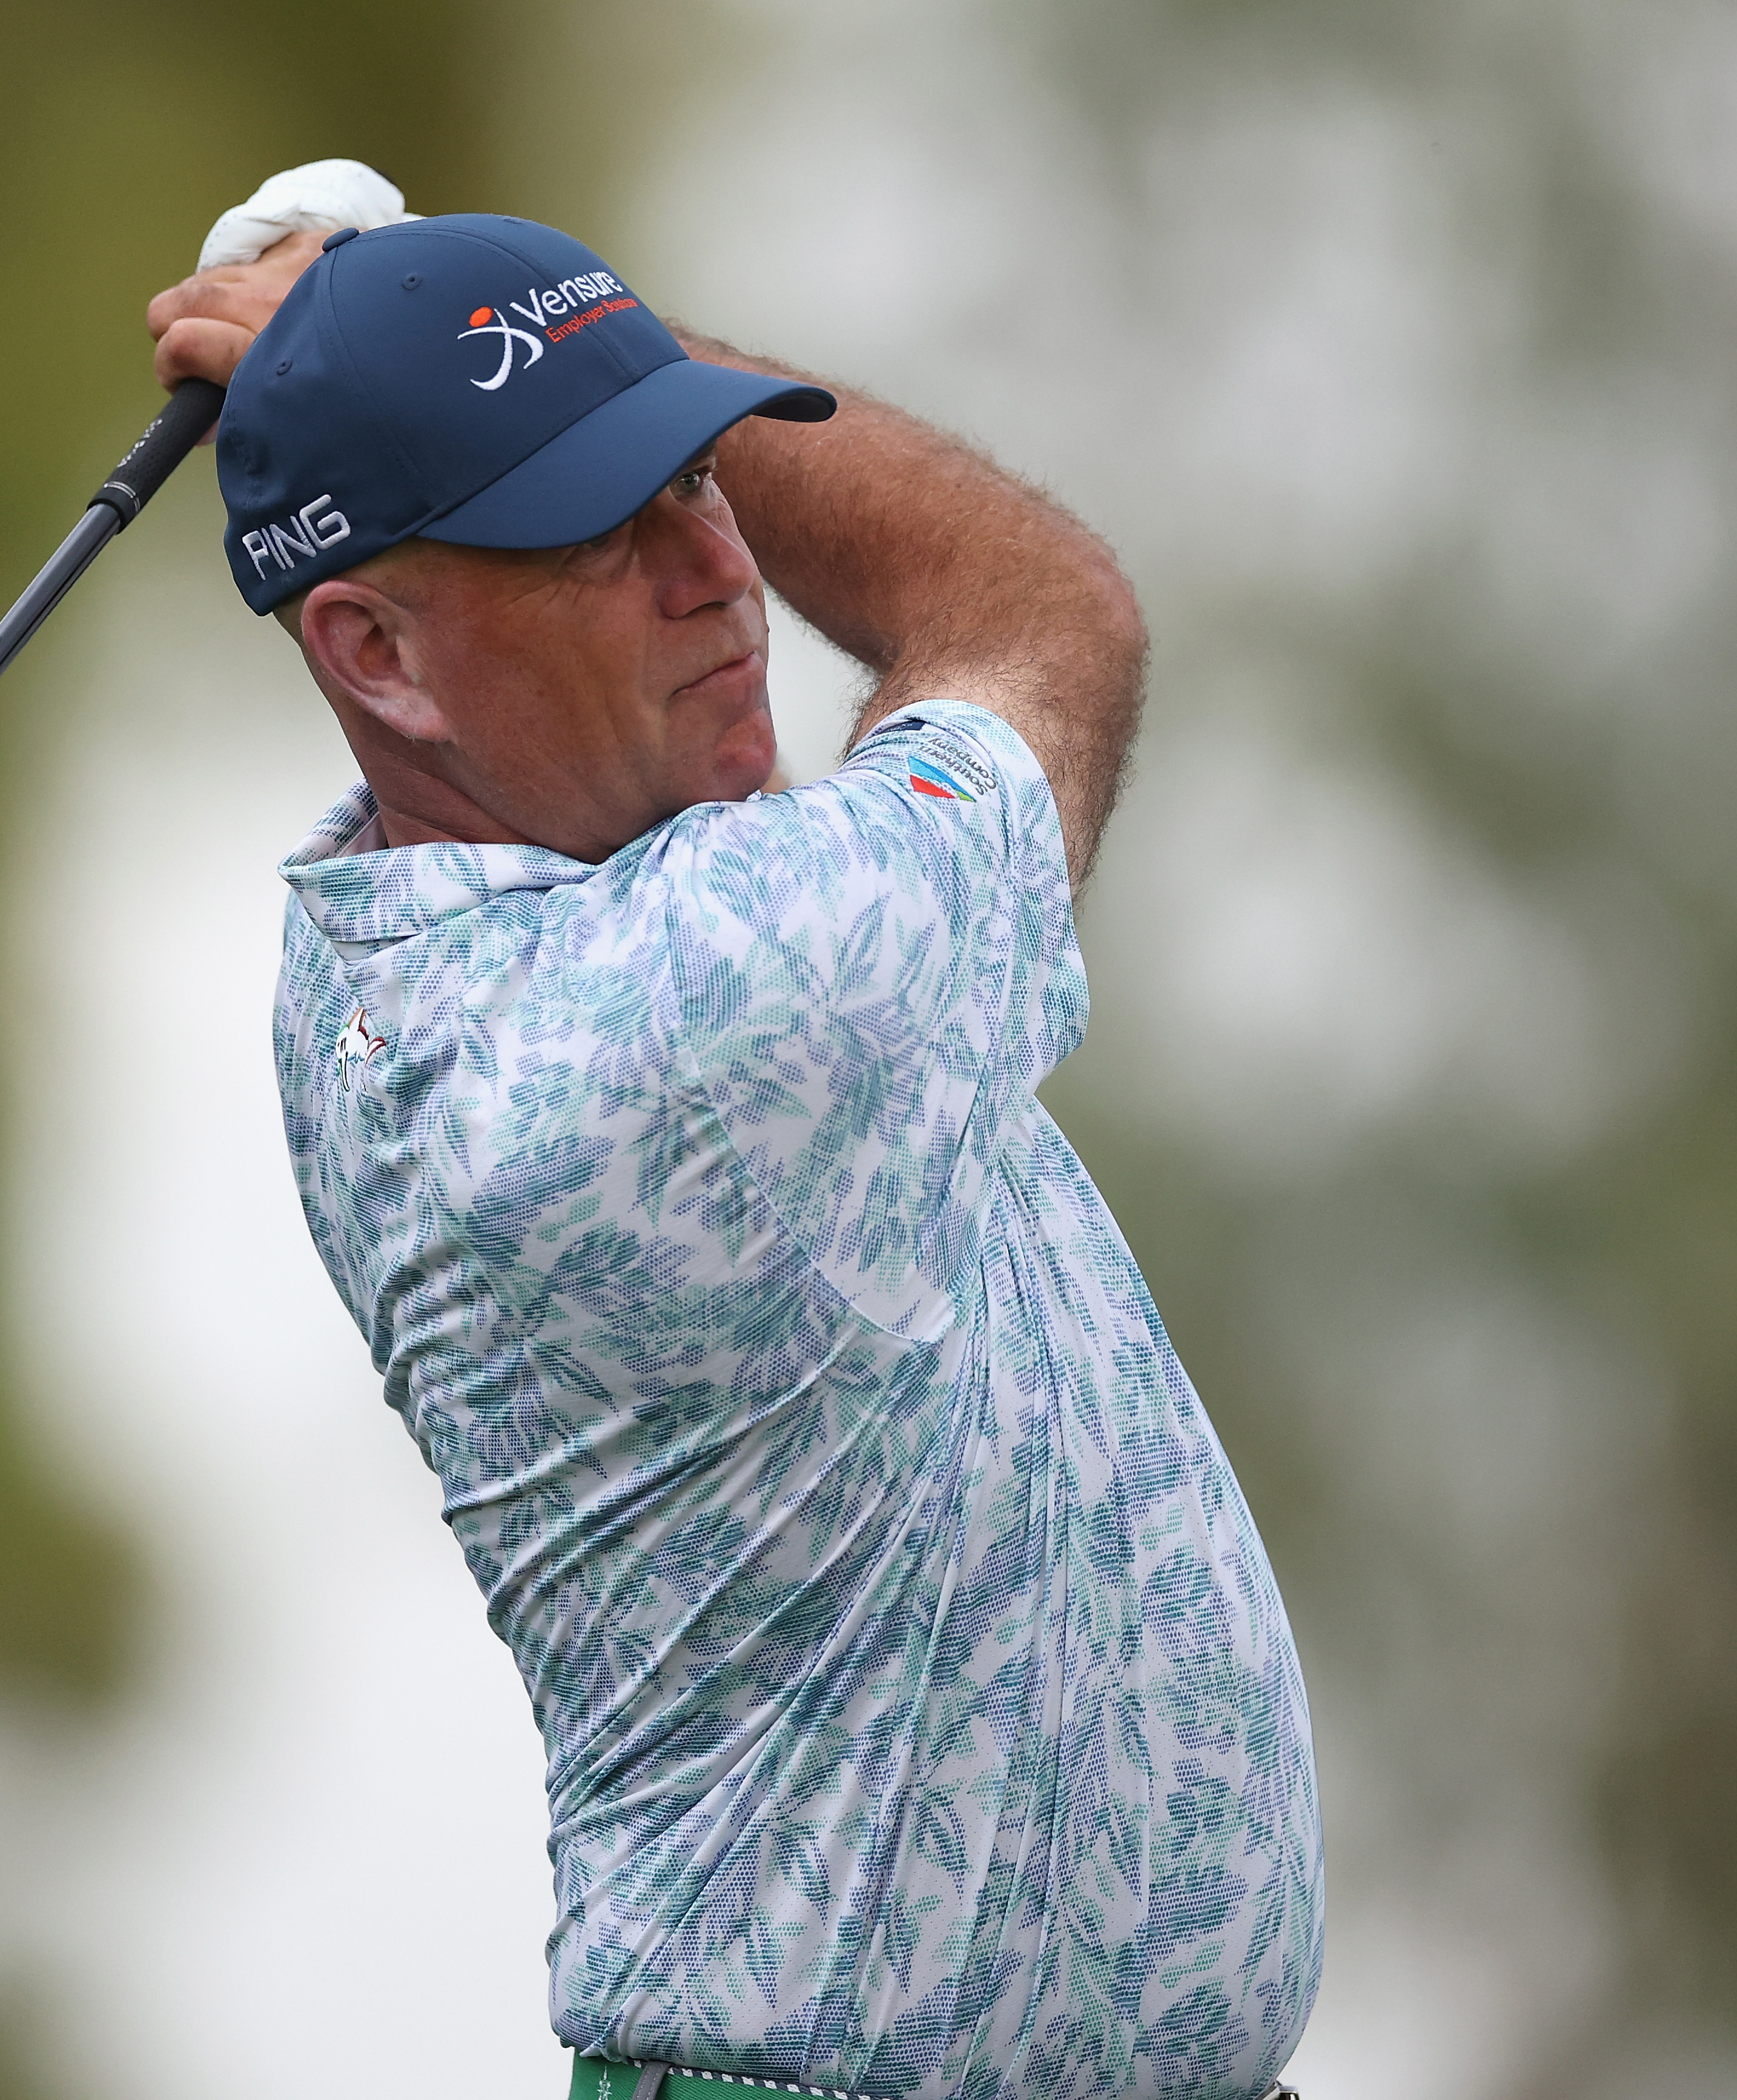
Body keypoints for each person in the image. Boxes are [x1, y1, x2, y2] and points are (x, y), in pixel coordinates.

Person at [146, 167, 1322, 2100]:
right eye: (593, 528)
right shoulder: (681, 1023)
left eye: (696, 476)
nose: (717, 571)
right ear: (376, 657)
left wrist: (433, 346)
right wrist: (486, 332)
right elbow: (1039, 611)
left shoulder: (393, 927)